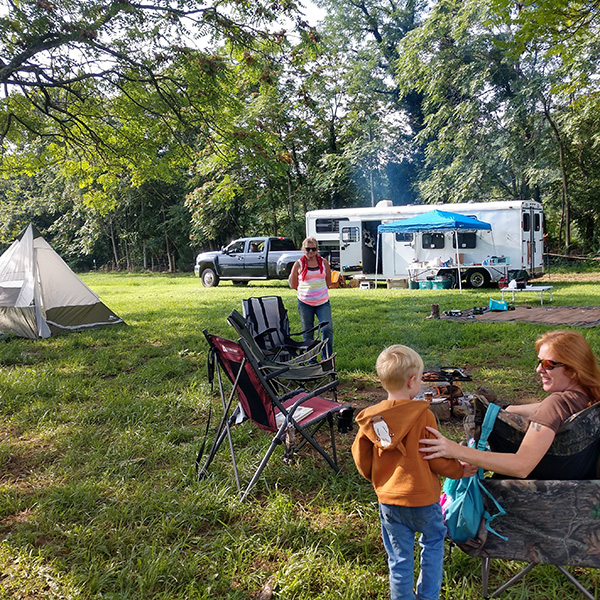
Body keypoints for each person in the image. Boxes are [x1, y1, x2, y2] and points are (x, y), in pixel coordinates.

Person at [352, 345, 473, 600]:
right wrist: (459, 471)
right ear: (412, 381)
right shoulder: (423, 416)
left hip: (389, 502)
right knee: (432, 543)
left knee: (399, 557)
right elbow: (436, 459)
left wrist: (379, 479)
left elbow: (362, 461)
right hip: (424, 500)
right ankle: (428, 596)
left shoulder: (371, 421)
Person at [420, 329, 600, 479]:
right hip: (577, 485)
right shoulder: (589, 395)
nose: (539, 369)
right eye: (539, 362)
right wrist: (504, 410)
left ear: (573, 368)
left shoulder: (555, 404)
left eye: (548, 364)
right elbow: (544, 409)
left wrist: (454, 450)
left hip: (529, 495)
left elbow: (521, 466)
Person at [288, 237, 333, 358]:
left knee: (327, 329)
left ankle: (326, 358)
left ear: (317, 249)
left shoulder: (324, 263)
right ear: (303, 249)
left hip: (322, 302)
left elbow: (328, 281)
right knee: (308, 333)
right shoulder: (299, 264)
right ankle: (311, 360)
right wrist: (306, 293)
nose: (311, 252)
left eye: (313, 249)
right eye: (308, 249)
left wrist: (319, 291)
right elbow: (293, 284)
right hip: (305, 303)